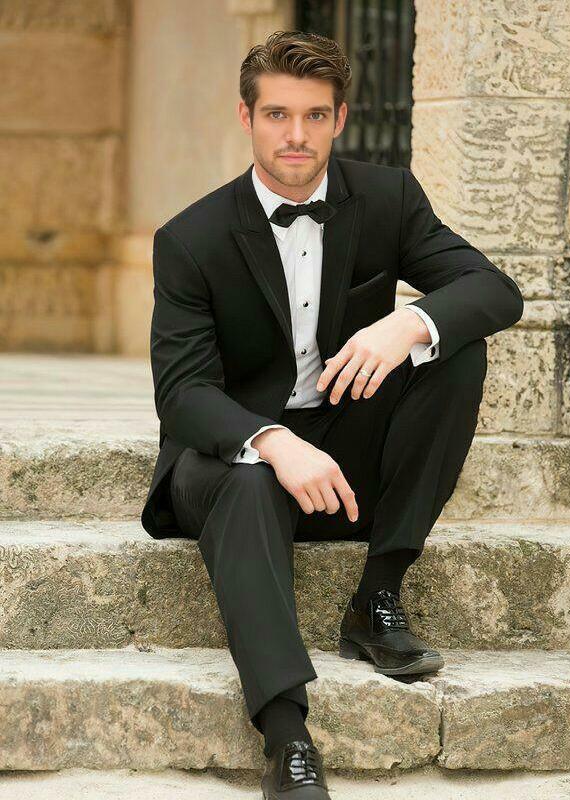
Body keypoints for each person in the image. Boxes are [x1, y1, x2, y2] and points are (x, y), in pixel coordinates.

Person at [140, 29, 524, 799]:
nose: (296, 135)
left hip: (346, 453)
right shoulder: (190, 239)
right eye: (277, 114)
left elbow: (495, 291)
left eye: (315, 115)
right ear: (247, 118)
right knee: (250, 479)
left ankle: (378, 595)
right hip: (230, 463)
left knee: (455, 350)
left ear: (340, 118)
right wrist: (272, 441)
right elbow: (182, 393)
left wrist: (407, 323)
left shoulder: (387, 199)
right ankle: (287, 737)